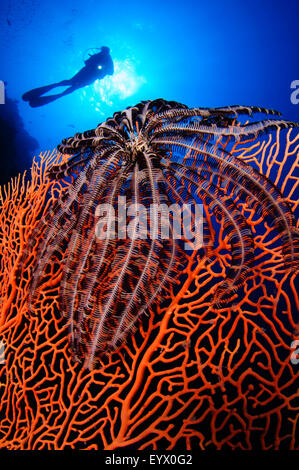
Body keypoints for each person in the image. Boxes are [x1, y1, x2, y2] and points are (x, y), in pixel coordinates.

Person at [22, 46, 114, 107]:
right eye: (102, 51)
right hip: (85, 73)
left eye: (104, 51)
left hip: (91, 77)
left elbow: (111, 72)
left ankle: (57, 93)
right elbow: (87, 61)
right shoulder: (97, 55)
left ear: (106, 51)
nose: (103, 52)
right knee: (70, 83)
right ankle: (55, 87)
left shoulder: (108, 59)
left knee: (74, 86)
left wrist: (101, 69)